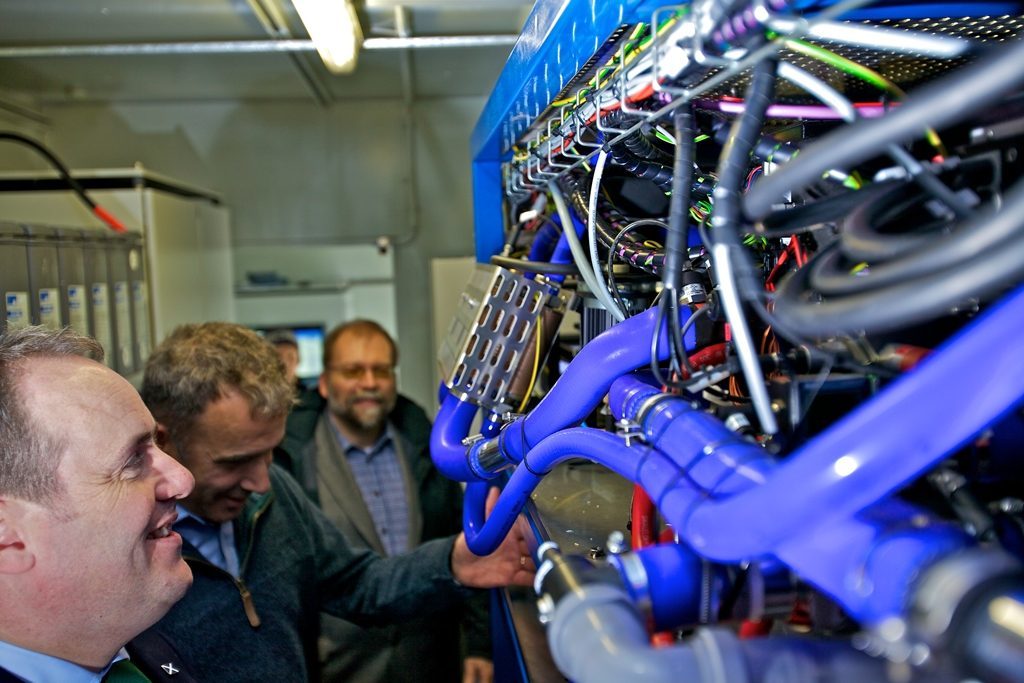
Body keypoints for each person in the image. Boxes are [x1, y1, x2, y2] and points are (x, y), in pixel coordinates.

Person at [139, 322, 532, 682]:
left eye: (270, 452)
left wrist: (452, 563)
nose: (261, 482)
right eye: (235, 462)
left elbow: (357, 584)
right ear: (163, 440)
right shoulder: (127, 551)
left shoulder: (276, 493)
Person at [277, 320, 491, 683]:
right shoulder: (293, 458)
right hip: (338, 667)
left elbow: (467, 541)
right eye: (353, 371)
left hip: (429, 659)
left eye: (381, 370)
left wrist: (479, 643)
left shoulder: (428, 446)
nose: (370, 382)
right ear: (325, 383)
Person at [0, 326, 198, 682]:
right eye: (133, 461)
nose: (184, 479)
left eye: (156, 444)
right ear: (7, 534)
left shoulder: (140, 647)